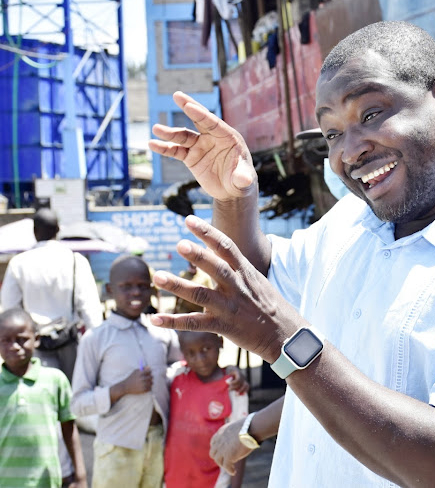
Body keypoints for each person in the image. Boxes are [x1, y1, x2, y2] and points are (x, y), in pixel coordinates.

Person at [148, 21, 435, 487]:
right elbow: (257, 278)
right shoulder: (352, 224)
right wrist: (233, 199)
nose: (350, 151)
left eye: (369, 114)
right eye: (331, 134)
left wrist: (288, 343)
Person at [71, 255, 249, 488]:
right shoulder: (95, 339)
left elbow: (196, 361)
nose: (136, 293)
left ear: (152, 290)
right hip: (116, 446)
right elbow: (78, 404)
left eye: (143, 287)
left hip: (158, 446)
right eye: (126, 287)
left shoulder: (161, 333)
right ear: (109, 289)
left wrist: (231, 372)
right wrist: (121, 389)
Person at [0, 207, 103, 481]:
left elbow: (8, 310)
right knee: (75, 406)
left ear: (34, 232)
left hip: (34, 348)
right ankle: (81, 471)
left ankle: (60, 470)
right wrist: (100, 347)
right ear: (59, 231)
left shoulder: (19, 263)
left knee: (43, 408)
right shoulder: (74, 260)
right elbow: (90, 308)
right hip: (70, 344)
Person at [0, 308, 87, 488]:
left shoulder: (55, 380)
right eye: (5, 341)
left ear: (36, 339)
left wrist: (80, 476)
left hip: (46, 481)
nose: (14, 346)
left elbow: (69, 430)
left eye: (21, 339)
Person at [164, 331, 248, 488]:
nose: (200, 359)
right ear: (183, 354)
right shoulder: (177, 375)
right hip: (173, 476)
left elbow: (241, 441)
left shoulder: (233, 387)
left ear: (220, 343)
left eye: (206, 349)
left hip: (214, 481)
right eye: (191, 353)